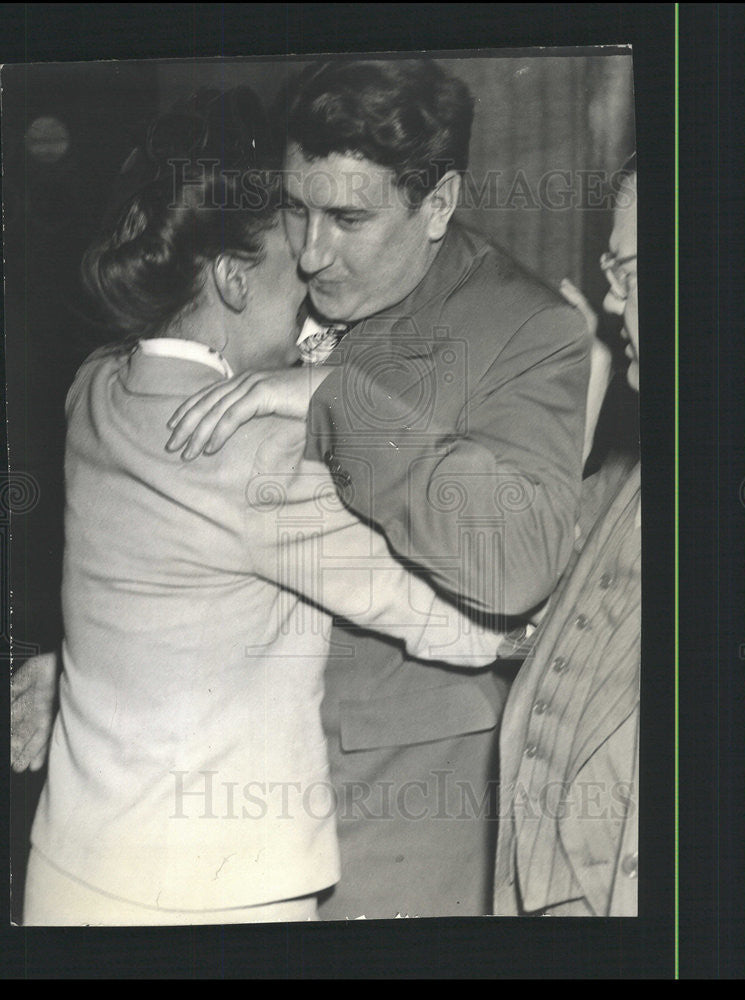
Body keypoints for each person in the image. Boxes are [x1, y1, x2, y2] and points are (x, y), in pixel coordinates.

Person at [14, 90, 505, 926]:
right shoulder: (260, 459)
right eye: (295, 262)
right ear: (235, 279)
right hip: (217, 894)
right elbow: (468, 622)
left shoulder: (93, 387)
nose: (316, 279)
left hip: (68, 869)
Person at [164, 59, 594, 919]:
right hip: (218, 770)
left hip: (392, 801)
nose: (310, 250)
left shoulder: (526, 329)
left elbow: (515, 563)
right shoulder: (267, 275)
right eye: (296, 205)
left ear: (436, 206)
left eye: (348, 218)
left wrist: (334, 402)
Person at [493, 168, 640, 918]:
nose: (612, 299)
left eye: (630, 271)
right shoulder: (632, 471)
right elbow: (524, 597)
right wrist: (591, 384)